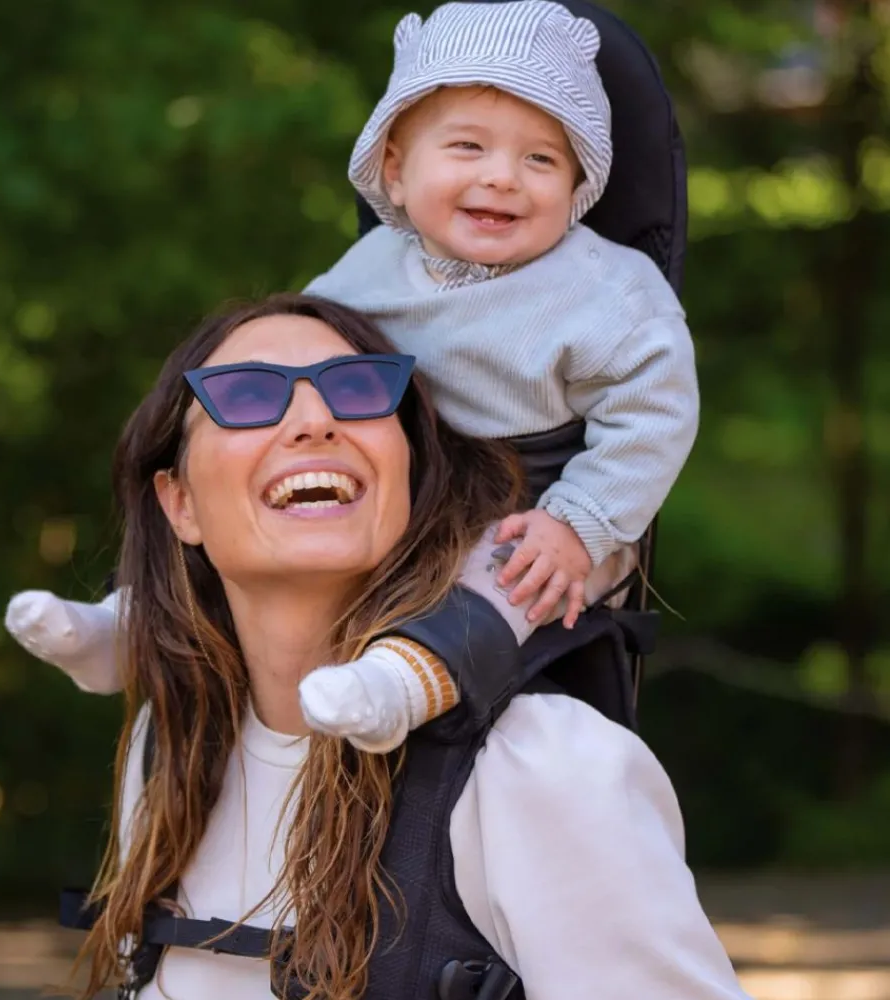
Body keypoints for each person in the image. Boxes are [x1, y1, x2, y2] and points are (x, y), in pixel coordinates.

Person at [5, 0, 697, 753]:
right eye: (468, 146)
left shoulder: (607, 291)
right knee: (237, 496)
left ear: (579, 186)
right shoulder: (373, 267)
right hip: (406, 482)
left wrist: (583, 522)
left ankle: (401, 683)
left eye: (542, 160)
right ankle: (130, 628)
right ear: (395, 171)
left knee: (505, 576)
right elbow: (305, 346)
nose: (503, 177)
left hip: (537, 503)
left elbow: (655, 415)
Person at [74, 292, 746, 1000]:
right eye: (246, 395)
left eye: (359, 389)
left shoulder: (541, 762)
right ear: (179, 503)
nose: (315, 420)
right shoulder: (170, 747)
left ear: (408, 473)